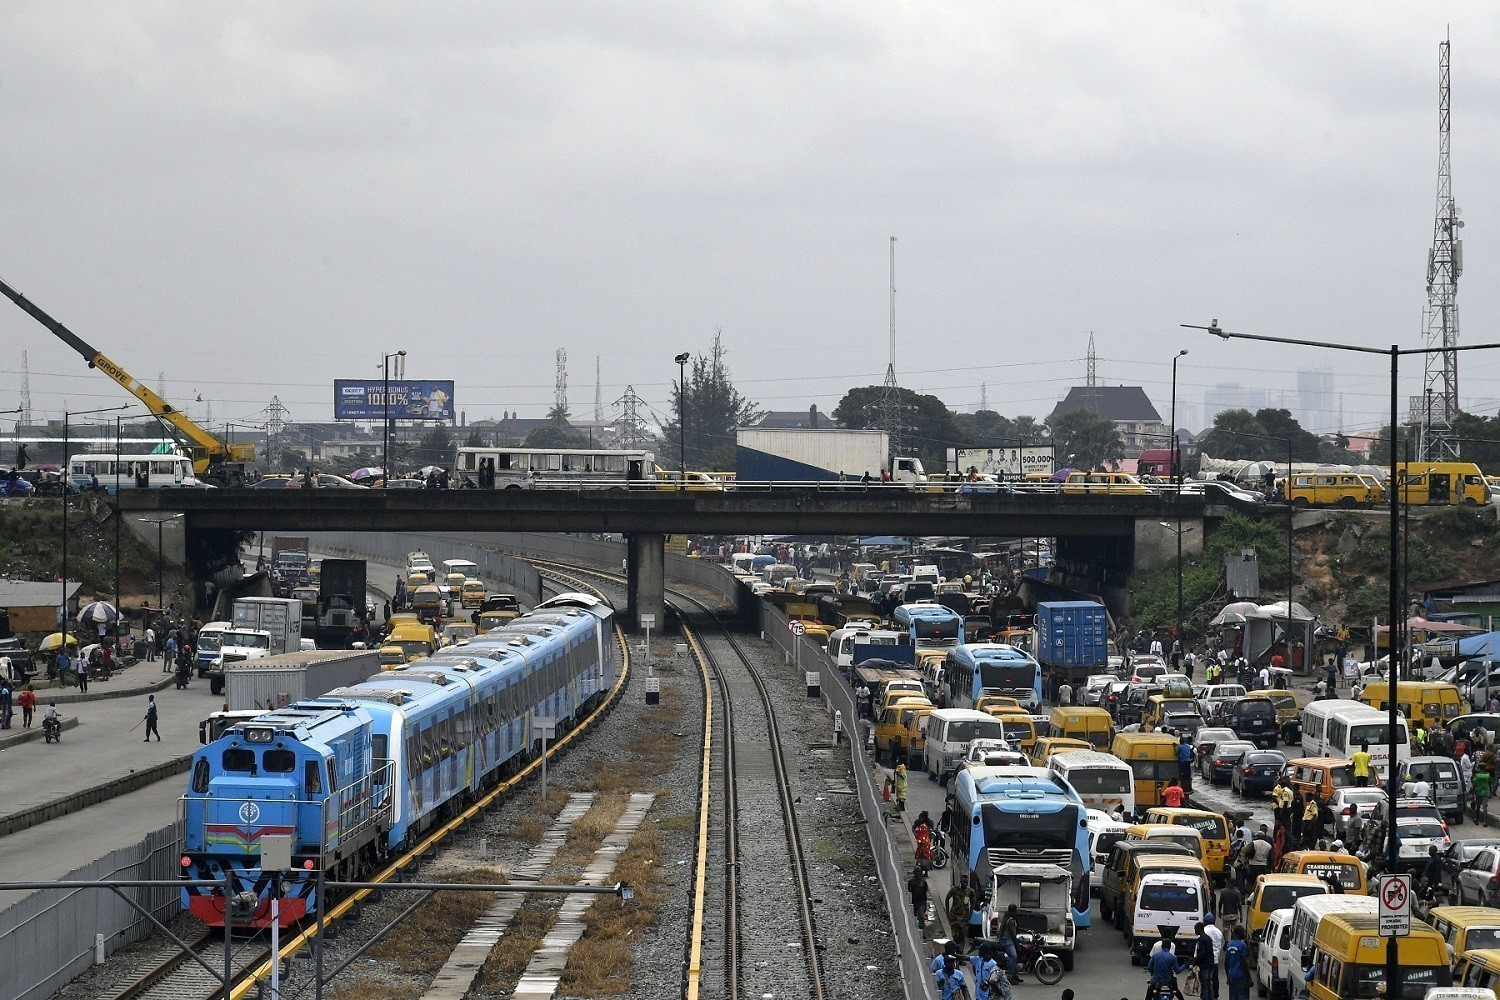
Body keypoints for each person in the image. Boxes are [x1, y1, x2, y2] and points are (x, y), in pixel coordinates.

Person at [1145, 933, 1186, 1000]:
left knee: (1148, 997)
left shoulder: (1155, 955)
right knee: (1178, 994)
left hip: (1156, 981)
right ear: (1170, 947)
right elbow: (1177, 971)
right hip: (1168, 982)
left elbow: (1149, 967)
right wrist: (1185, 965)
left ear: (1161, 946)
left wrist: (1153, 971)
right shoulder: (1173, 957)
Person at [1224, 925, 1251, 1000]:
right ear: (1240, 933)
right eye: (1243, 932)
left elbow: (1226, 962)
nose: (1244, 934)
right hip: (1241, 976)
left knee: (1233, 997)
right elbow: (1244, 963)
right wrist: (1249, 978)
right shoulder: (1242, 945)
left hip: (1231, 976)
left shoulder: (1229, 944)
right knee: (1242, 996)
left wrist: (1228, 976)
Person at [996, 904, 1021, 981]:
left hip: (1004, 939)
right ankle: (1009, 976)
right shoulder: (1011, 920)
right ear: (1014, 910)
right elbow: (1013, 934)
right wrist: (1017, 945)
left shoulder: (1006, 917)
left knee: (1017, 955)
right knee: (1013, 956)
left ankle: (1014, 974)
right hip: (1006, 940)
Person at [1193, 920, 1218, 1000]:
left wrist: (1195, 961)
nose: (1195, 931)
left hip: (1204, 965)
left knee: (1204, 984)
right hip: (1211, 964)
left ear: (1199, 929)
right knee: (1208, 983)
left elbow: (1202, 953)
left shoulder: (1201, 939)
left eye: (1195, 929)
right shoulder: (1208, 938)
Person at [1201, 913, 1224, 1000]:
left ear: (1205, 921)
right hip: (1215, 959)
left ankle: (1205, 996)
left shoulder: (1204, 930)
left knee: (1205, 981)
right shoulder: (1218, 932)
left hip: (1206, 960)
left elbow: (1200, 946)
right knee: (1214, 978)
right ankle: (1215, 995)